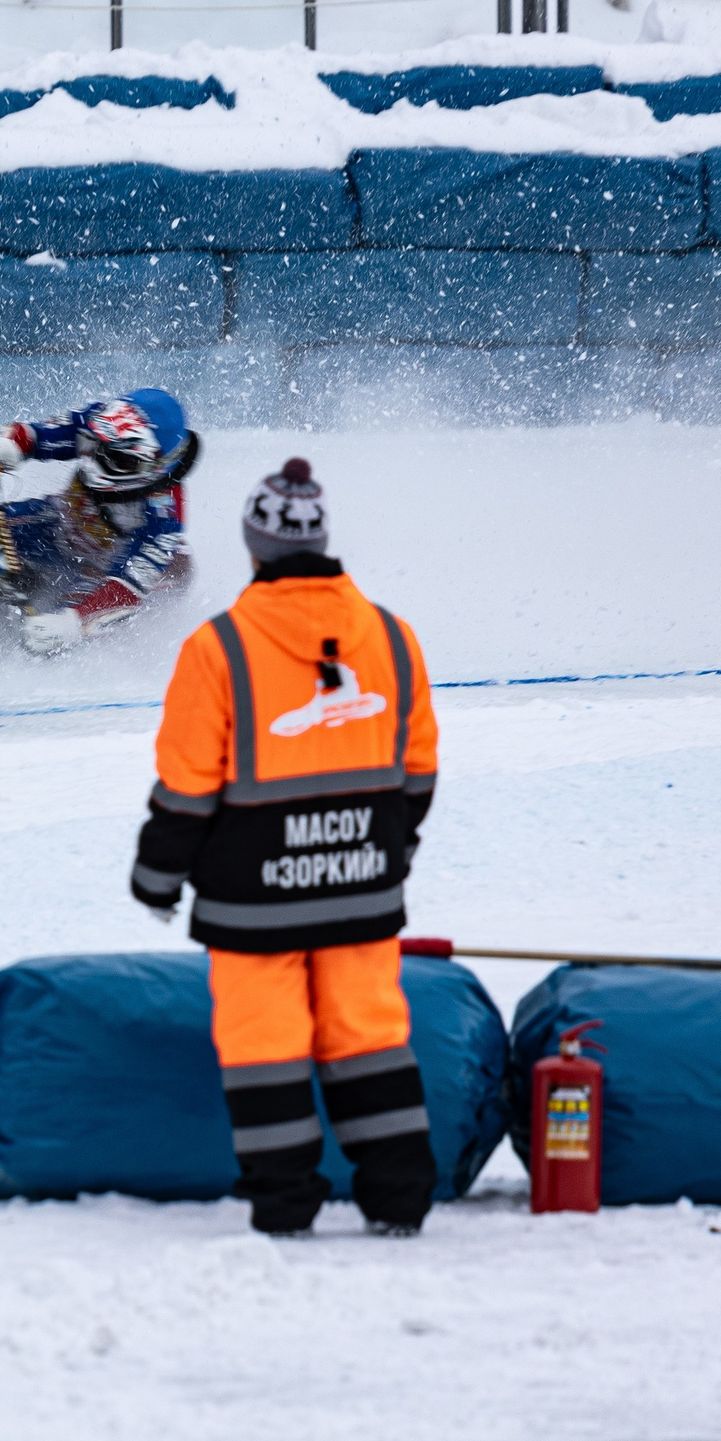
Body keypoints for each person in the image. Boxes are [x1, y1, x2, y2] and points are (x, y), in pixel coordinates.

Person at [128, 458, 443, 1238]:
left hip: (251, 899)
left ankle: (284, 1205)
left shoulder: (218, 649)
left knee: (264, 1047)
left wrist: (157, 876)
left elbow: (187, 786)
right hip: (362, 887)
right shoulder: (394, 639)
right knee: (370, 1038)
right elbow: (419, 769)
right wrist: (383, 849)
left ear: (253, 545)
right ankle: (400, 1200)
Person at [0, 388, 198, 654]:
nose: (94, 459)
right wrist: (11, 444)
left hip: (113, 577)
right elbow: (43, 434)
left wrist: (75, 623)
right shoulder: (98, 423)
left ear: (155, 466)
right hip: (58, 524)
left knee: (45, 637)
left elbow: (126, 588)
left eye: (117, 458)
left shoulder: (164, 518)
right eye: (97, 444)